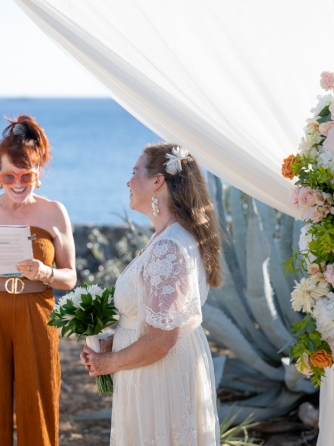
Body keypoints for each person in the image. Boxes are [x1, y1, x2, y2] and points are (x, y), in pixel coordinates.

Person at [80, 142, 222, 445]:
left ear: (158, 181)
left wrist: (109, 363)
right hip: (154, 369)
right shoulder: (170, 236)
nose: (128, 182)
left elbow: (161, 340)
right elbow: (157, 320)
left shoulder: (168, 246)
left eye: (135, 173)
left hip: (157, 375)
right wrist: (112, 343)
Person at [0, 115, 78, 446]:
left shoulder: (54, 212)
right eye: (9, 176)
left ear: (38, 174)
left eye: (26, 175)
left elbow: (70, 277)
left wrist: (46, 273)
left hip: (36, 311)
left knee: (38, 400)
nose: (17, 183)